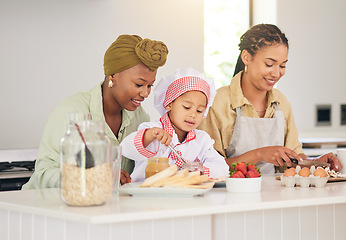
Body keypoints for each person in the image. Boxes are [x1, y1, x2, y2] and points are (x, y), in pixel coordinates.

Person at [22, 34, 169, 189]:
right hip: (46, 208)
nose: (146, 93)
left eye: (150, 86)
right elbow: (43, 174)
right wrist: (96, 177)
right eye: (139, 84)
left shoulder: (140, 117)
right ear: (113, 76)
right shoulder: (70, 111)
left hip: (103, 208)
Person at [198, 24, 342, 174]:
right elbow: (207, 166)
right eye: (269, 64)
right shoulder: (218, 102)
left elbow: (294, 157)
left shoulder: (281, 102)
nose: (276, 73)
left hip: (276, 195)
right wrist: (261, 154)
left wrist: (316, 162)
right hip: (230, 194)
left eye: (282, 66)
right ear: (246, 57)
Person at [120, 68, 229, 182]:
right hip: (148, 194)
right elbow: (127, 150)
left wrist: (196, 172)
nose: (193, 114)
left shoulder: (202, 140)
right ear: (169, 104)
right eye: (187, 107)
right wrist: (149, 135)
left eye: (199, 111)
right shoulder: (152, 130)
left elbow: (221, 168)